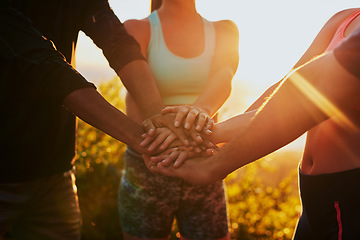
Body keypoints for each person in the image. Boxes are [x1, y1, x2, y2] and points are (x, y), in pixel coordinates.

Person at [146, 8, 360, 240]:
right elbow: (288, 90)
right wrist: (217, 144)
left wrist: (207, 140)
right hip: (311, 194)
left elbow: (306, 98)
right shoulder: (344, 19)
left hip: (348, 196)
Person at [0, 0, 181, 238]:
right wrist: (146, 140)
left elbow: (117, 41)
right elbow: (46, 66)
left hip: (56, 170)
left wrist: (158, 116)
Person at [117, 0, 239, 239]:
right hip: (148, 162)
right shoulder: (135, 29)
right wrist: (181, 138)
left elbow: (223, 79)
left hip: (202, 159)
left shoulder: (225, 30)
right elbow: (134, 99)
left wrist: (198, 113)